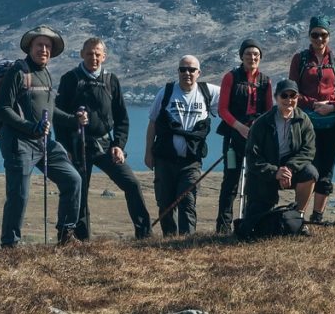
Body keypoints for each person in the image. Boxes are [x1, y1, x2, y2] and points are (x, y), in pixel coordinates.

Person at [0, 25, 86, 248]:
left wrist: (73, 119)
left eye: (48, 46)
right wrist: (30, 127)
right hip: (18, 143)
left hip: (43, 141)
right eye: (40, 45)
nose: (44, 49)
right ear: (30, 47)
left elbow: (50, 108)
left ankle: (66, 237)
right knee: (19, 195)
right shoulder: (18, 72)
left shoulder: (45, 73)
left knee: (73, 179)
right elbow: (4, 109)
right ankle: (10, 246)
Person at [55, 37, 152, 240]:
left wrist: (118, 145)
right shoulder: (70, 79)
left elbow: (122, 118)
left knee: (132, 184)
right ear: (82, 54)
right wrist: (66, 150)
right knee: (80, 193)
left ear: (104, 57)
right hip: (77, 145)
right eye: (89, 53)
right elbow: (58, 117)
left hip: (105, 144)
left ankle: (145, 235)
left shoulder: (111, 81)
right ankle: (81, 241)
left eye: (98, 54)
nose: (94, 58)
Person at [145, 55, 220, 236]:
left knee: (187, 201)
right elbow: (153, 123)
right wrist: (148, 153)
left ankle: (187, 241)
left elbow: (231, 101)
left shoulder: (208, 92)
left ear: (199, 73)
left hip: (191, 161)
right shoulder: (166, 92)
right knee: (165, 203)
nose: (187, 73)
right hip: (164, 158)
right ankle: (169, 239)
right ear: (178, 71)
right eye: (182, 69)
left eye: (192, 69)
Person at [289, 15, 335, 224]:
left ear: (329, 36)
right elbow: (292, 90)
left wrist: (333, 106)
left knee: (327, 167)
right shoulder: (300, 59)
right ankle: (300, 214)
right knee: (308, 166)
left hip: (332, 123)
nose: (319, 39)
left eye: (323, 35)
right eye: (315, 35)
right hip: (306, 122)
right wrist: (313, 104)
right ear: (309, 36)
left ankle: (318, 216)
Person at [215, 39, 273, 233]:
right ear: (241, 56)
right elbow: (222, 109)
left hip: (256, 138)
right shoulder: (230, 77)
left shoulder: (265, 81)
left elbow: (268, 111)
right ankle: (223, 227)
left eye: (256, 54)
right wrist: (239, 127)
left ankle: (250, 223)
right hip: (233, 136)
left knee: (255, 179)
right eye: (248, 54)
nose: (252, 57)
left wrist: (257, 127)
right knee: (230, 180)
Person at [242, 79, 318, 219]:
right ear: (276, 97)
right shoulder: (262, 123)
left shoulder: (303, 120)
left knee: (310, 173)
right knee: (258, 222)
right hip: (266, 172)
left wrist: (289, 169)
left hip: (291, 170)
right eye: (284, 96)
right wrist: (275, 172)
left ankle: (298, 217)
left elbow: (308, 150)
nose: (289, 100)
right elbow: (252, 157)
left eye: (293, 96)